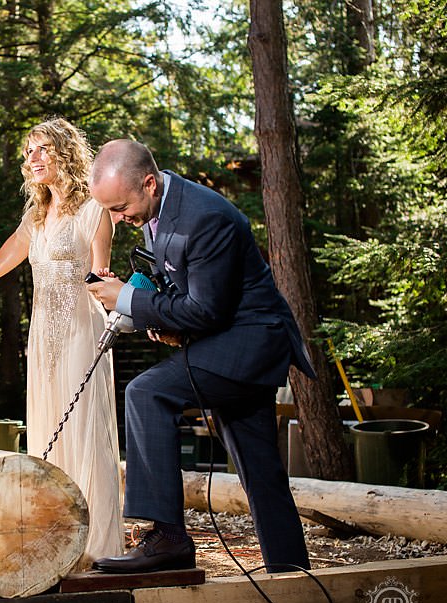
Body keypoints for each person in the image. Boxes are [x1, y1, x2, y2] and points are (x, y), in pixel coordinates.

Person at [85, 139, 314, 574]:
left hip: (250, 342)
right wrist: (161, 320)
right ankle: (291, 573)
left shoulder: (205, 216)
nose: (117, 219)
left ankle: (167, 538)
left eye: (119, 207)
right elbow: (186, 294)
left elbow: (208, 311)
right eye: (110, 211)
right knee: (260, 469)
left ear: (149, 183)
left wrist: (128, 299)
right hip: (225, 341)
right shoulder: (155, 210)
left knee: (146, 393)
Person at [0, 118, 124, 568]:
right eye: (28, 153)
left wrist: (120, 294)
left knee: (84, 433)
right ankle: (56, 543)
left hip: (83, 335)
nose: (32, 159)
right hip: (42, 341)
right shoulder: (34, 218)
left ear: (65, 152)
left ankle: (98, 550)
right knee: (48, 431)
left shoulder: (94, 210)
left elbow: (99, 279)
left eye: (41, 149)